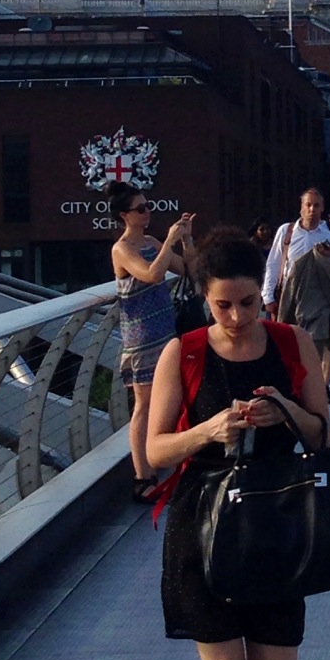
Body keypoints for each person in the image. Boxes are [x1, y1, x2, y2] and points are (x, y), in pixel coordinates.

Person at [147, 230, 330, 660]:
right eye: (223, 305)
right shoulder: (184, 353)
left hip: (276, 531)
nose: (237, 316)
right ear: (204, 298)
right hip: (204, 533)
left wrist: (284, 410)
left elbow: (322, 434)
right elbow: (153, 452)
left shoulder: (290, 343)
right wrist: (207, 430)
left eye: (248, 303)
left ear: (263, 294)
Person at [110, 183, 196, 500]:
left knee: (172, 397)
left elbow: (188, 269)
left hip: (165, 331)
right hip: (141, 337)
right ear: (125, 215)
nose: (147, 213)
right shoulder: (121, 249)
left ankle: (167, 462)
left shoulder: (151, 242)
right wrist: (169, 241)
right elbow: (151, 274)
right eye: (140, 209)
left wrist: (186, 240)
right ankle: (142, 476)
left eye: (148, 206)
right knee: (144, 405)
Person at [262, 189, 330, 390]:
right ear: (301, 208)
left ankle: (314, 388)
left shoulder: (328, 236)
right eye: (308, 205)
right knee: (287, 342)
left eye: (316, 205)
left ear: (322, 209)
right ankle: (292, 385)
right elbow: (274, 263)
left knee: (316, 343)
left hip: (318, 296)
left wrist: (326, 258)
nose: (312, 209)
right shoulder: (286, 232)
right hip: (290, 295)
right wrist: (268, 295)